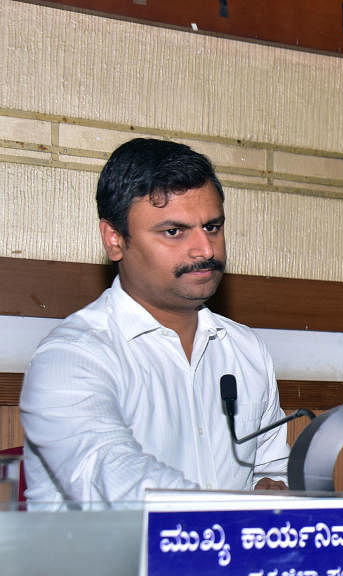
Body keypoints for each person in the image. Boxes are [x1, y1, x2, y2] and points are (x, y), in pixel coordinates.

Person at [20, 138, 290, 507]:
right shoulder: (71, 357)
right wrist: (232, 519)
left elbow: (273, 469)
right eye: (174, 232)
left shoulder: (246, 350)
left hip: (228, 562)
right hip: (110, 566)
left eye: (212, 227)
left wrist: (273, 487)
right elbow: (115, 482)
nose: (206, 250)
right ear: (114, 239)